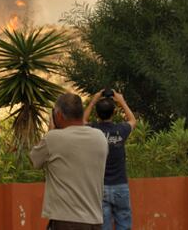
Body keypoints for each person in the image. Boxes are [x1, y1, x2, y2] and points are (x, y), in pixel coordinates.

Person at [30, 93, 108, 230]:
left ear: (58, 115)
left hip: (66, 221)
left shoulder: (53, 139)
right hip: (94, 221)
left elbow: (34, 160)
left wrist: (51, 130)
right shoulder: (100, 137)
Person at [83, 89, 136, 230]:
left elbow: (82, 121)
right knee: (124, 225)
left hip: (100, 187)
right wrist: (122, 101)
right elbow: (132, 120)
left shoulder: (93, 130)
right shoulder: (121, 130)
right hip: (121, 186)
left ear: (97, 114)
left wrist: (93, 100)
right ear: (114, 113)